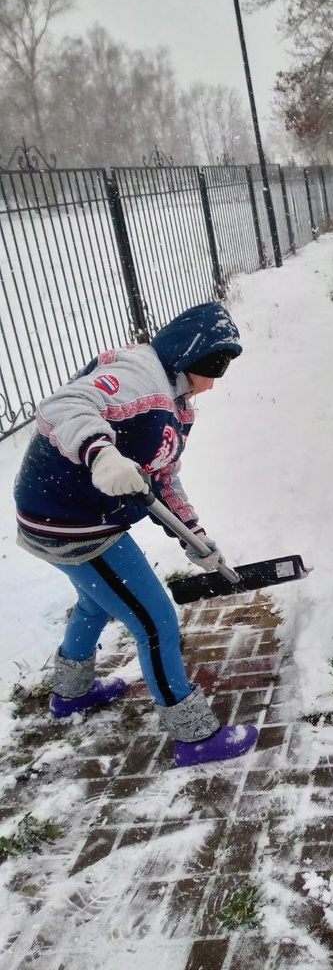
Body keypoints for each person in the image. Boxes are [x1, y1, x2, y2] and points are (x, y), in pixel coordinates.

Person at [13, 301, 259, 768]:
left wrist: (195, 536)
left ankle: (71, 694)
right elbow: (64, 404)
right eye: (218, 369)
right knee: (155, 623)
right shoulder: (140, 378)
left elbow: (161, 476)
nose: (214, 384)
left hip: (58, 514)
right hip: (77, 526)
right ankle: (195, 737)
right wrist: (100, 454)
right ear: (196, 359)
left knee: (94, 602)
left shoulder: (174, 399)